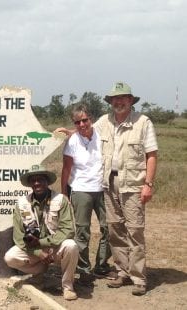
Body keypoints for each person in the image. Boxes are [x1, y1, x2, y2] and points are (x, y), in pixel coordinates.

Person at [97, 82, 158, 296]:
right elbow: (85, 133)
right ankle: (122, 271)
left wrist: (148, 185)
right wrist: (67, 131)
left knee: (135, 230)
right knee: (115, 230)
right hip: (109, 183)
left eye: (123, 98)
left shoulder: (143, 122)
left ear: (131, 100)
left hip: (133, 184)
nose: (118, 101)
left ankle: (139, 277)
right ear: (110, 102)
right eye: (115, 98)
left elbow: (151, 155)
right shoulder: (104, 121)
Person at [4, 164, 79, 301]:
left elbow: (68, 230)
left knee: (71, 245)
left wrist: (42, 242)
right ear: (30, 184)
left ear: (47, 182)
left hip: (56, 247)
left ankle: (68, 286)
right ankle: (39, 273)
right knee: (10, 257)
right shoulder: (21, 204)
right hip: (35, 250)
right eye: (34, 180)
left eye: (40, 180)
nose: (37, 183)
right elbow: (19, 236)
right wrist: (38, 252)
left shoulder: (60, 200)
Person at [61, 104, 112, 284]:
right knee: (83, 231)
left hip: (103, 189)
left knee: (110, 228)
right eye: (77, 122)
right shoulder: (72, 141)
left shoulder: (102, 135)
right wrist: (65, 194)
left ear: (91, 119)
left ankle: (101, 265)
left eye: (85, 120)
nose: (82, 124)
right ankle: (83, 269)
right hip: (81, 190)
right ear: (74, 124)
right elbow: (66, 169)